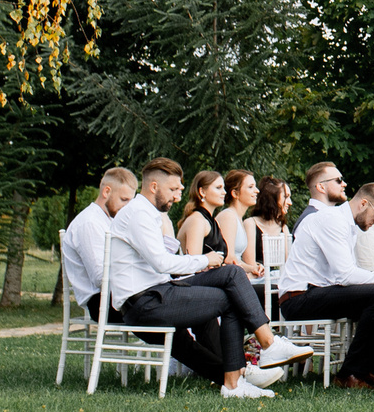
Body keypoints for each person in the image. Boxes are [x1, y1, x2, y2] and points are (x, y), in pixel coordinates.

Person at [106, 160, 311, 397]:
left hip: (156, 292)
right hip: (145, 303)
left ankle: (240, 374)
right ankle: (258, 356)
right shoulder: (138, 214)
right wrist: (206, 260)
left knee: (231, 277)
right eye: (172, 190)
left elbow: (164, 266)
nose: (177, 196)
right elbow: (161, 263)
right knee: (230, 290)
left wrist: (206, 266)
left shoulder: (146, 213)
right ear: (153, 187)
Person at [278, 175, 374, 389]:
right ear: (364, 203)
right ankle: (349, 373)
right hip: (298, 297)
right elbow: (345, 275)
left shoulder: (347, 224)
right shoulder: (333, 220)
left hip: (321, 291)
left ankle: (370, 366)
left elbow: (346, 275)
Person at [60, 167, 131, 317]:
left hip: (117, 296)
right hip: (101, 303)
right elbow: (100, 278)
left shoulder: (109, 220)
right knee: (167, 306)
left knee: (174, 300)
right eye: (124, 200)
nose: (127, 207)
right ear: (106, 192)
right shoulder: (90, 223)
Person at [248, 176, 298, 269]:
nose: (290, 202)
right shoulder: (251, 224)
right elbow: (250, 265)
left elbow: (289, 264)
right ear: (272, 198)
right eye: (286, 197)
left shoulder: (283, 228)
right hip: (255, 279)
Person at [296, 159, 346, 230]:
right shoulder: (312, 219)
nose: (344, 184)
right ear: (321, 187)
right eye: (339, 180)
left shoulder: (322, 217)